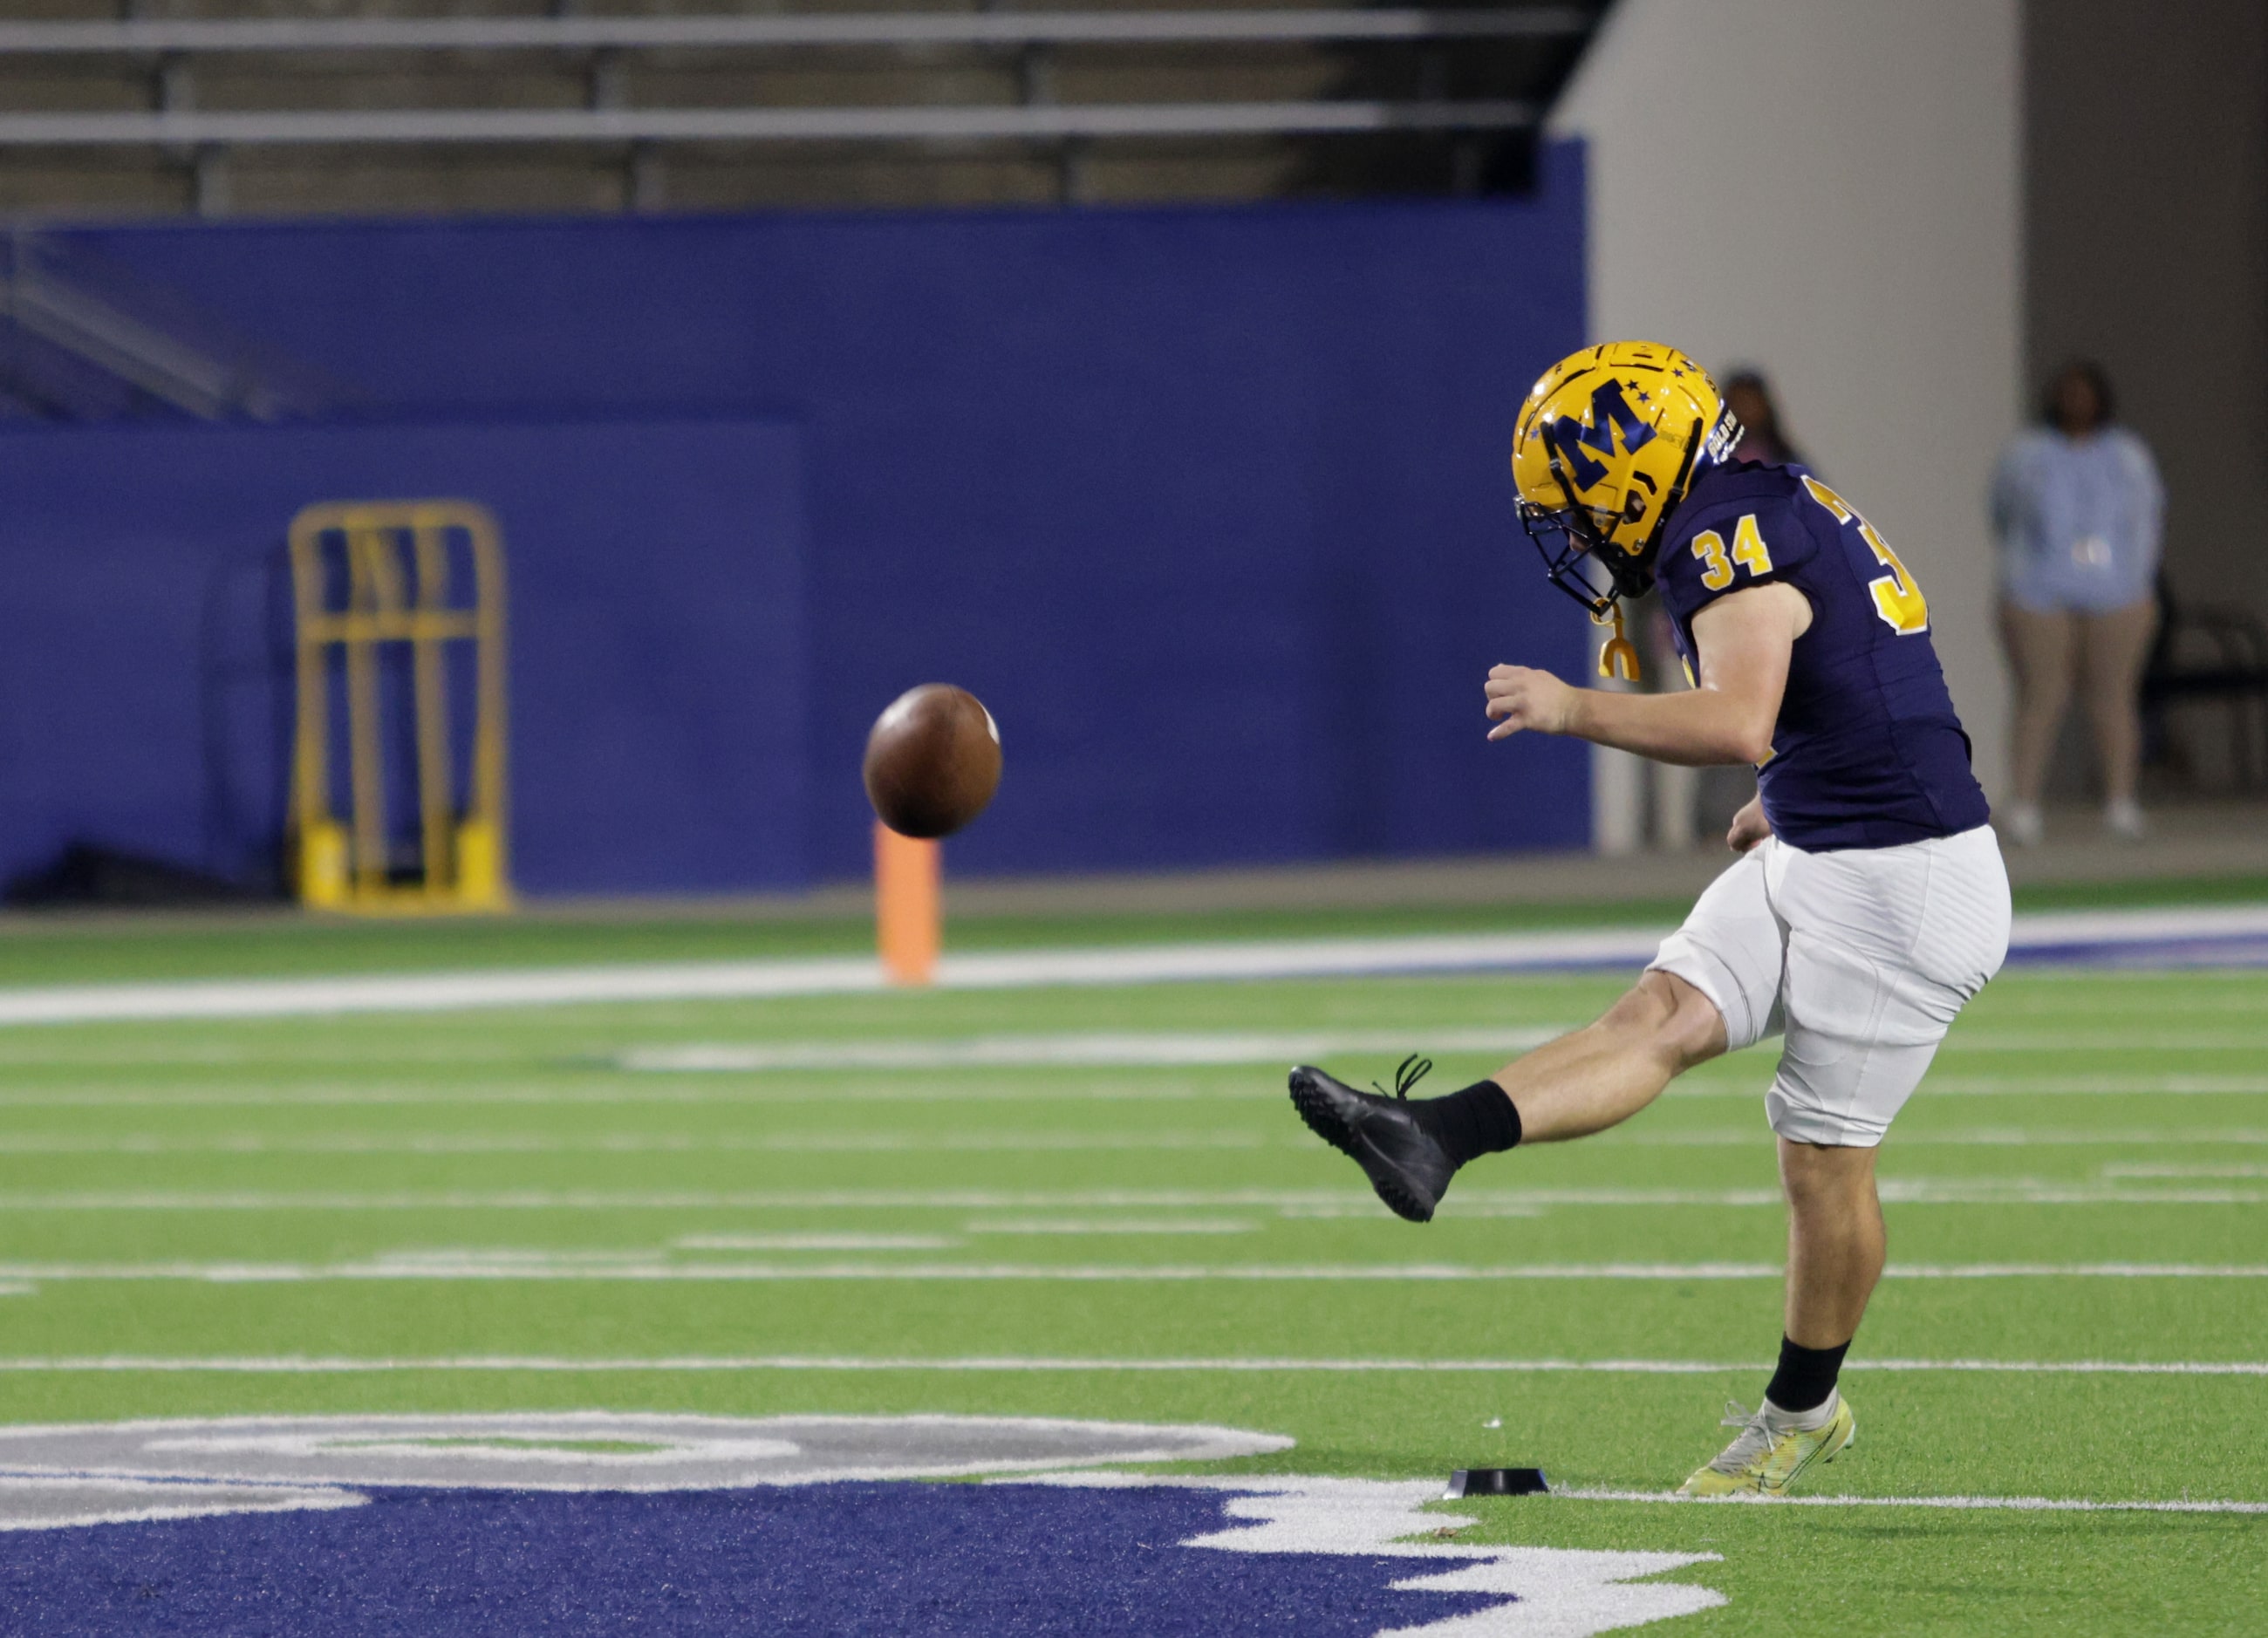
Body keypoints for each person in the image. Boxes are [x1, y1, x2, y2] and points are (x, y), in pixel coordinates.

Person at [1287, 341, 2011, 1497]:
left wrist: (1577, 705)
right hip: (1842, 840)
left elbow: (1737, 717)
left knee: (1823, 1163)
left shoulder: (1725, 530)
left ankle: (1802, 1411)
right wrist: (1797, 795)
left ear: (1629, 469)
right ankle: (1433, 1136)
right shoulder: (1756, 504)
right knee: (1657, 1014)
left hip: (1903, 880)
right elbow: (1876, 675)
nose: (1570, 534)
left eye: (1571, 505)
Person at [1990, 361, 2162, 844]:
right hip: (2040, 592)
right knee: (2042, 695)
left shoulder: (2127, 455)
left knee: (2113, 696)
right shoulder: (2027, 454)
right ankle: (2024, 802)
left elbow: (2146, 519)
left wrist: (2138, 581)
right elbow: (2001, 511)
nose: (2076, 403)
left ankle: (2120, 800)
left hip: (2117, 593)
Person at [1720, 369, 1805, 468]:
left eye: (1750, 403)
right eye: (1737, 402)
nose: (1743, 410)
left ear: (1765, 406)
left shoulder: (1787, 460)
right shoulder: (1712, 456)